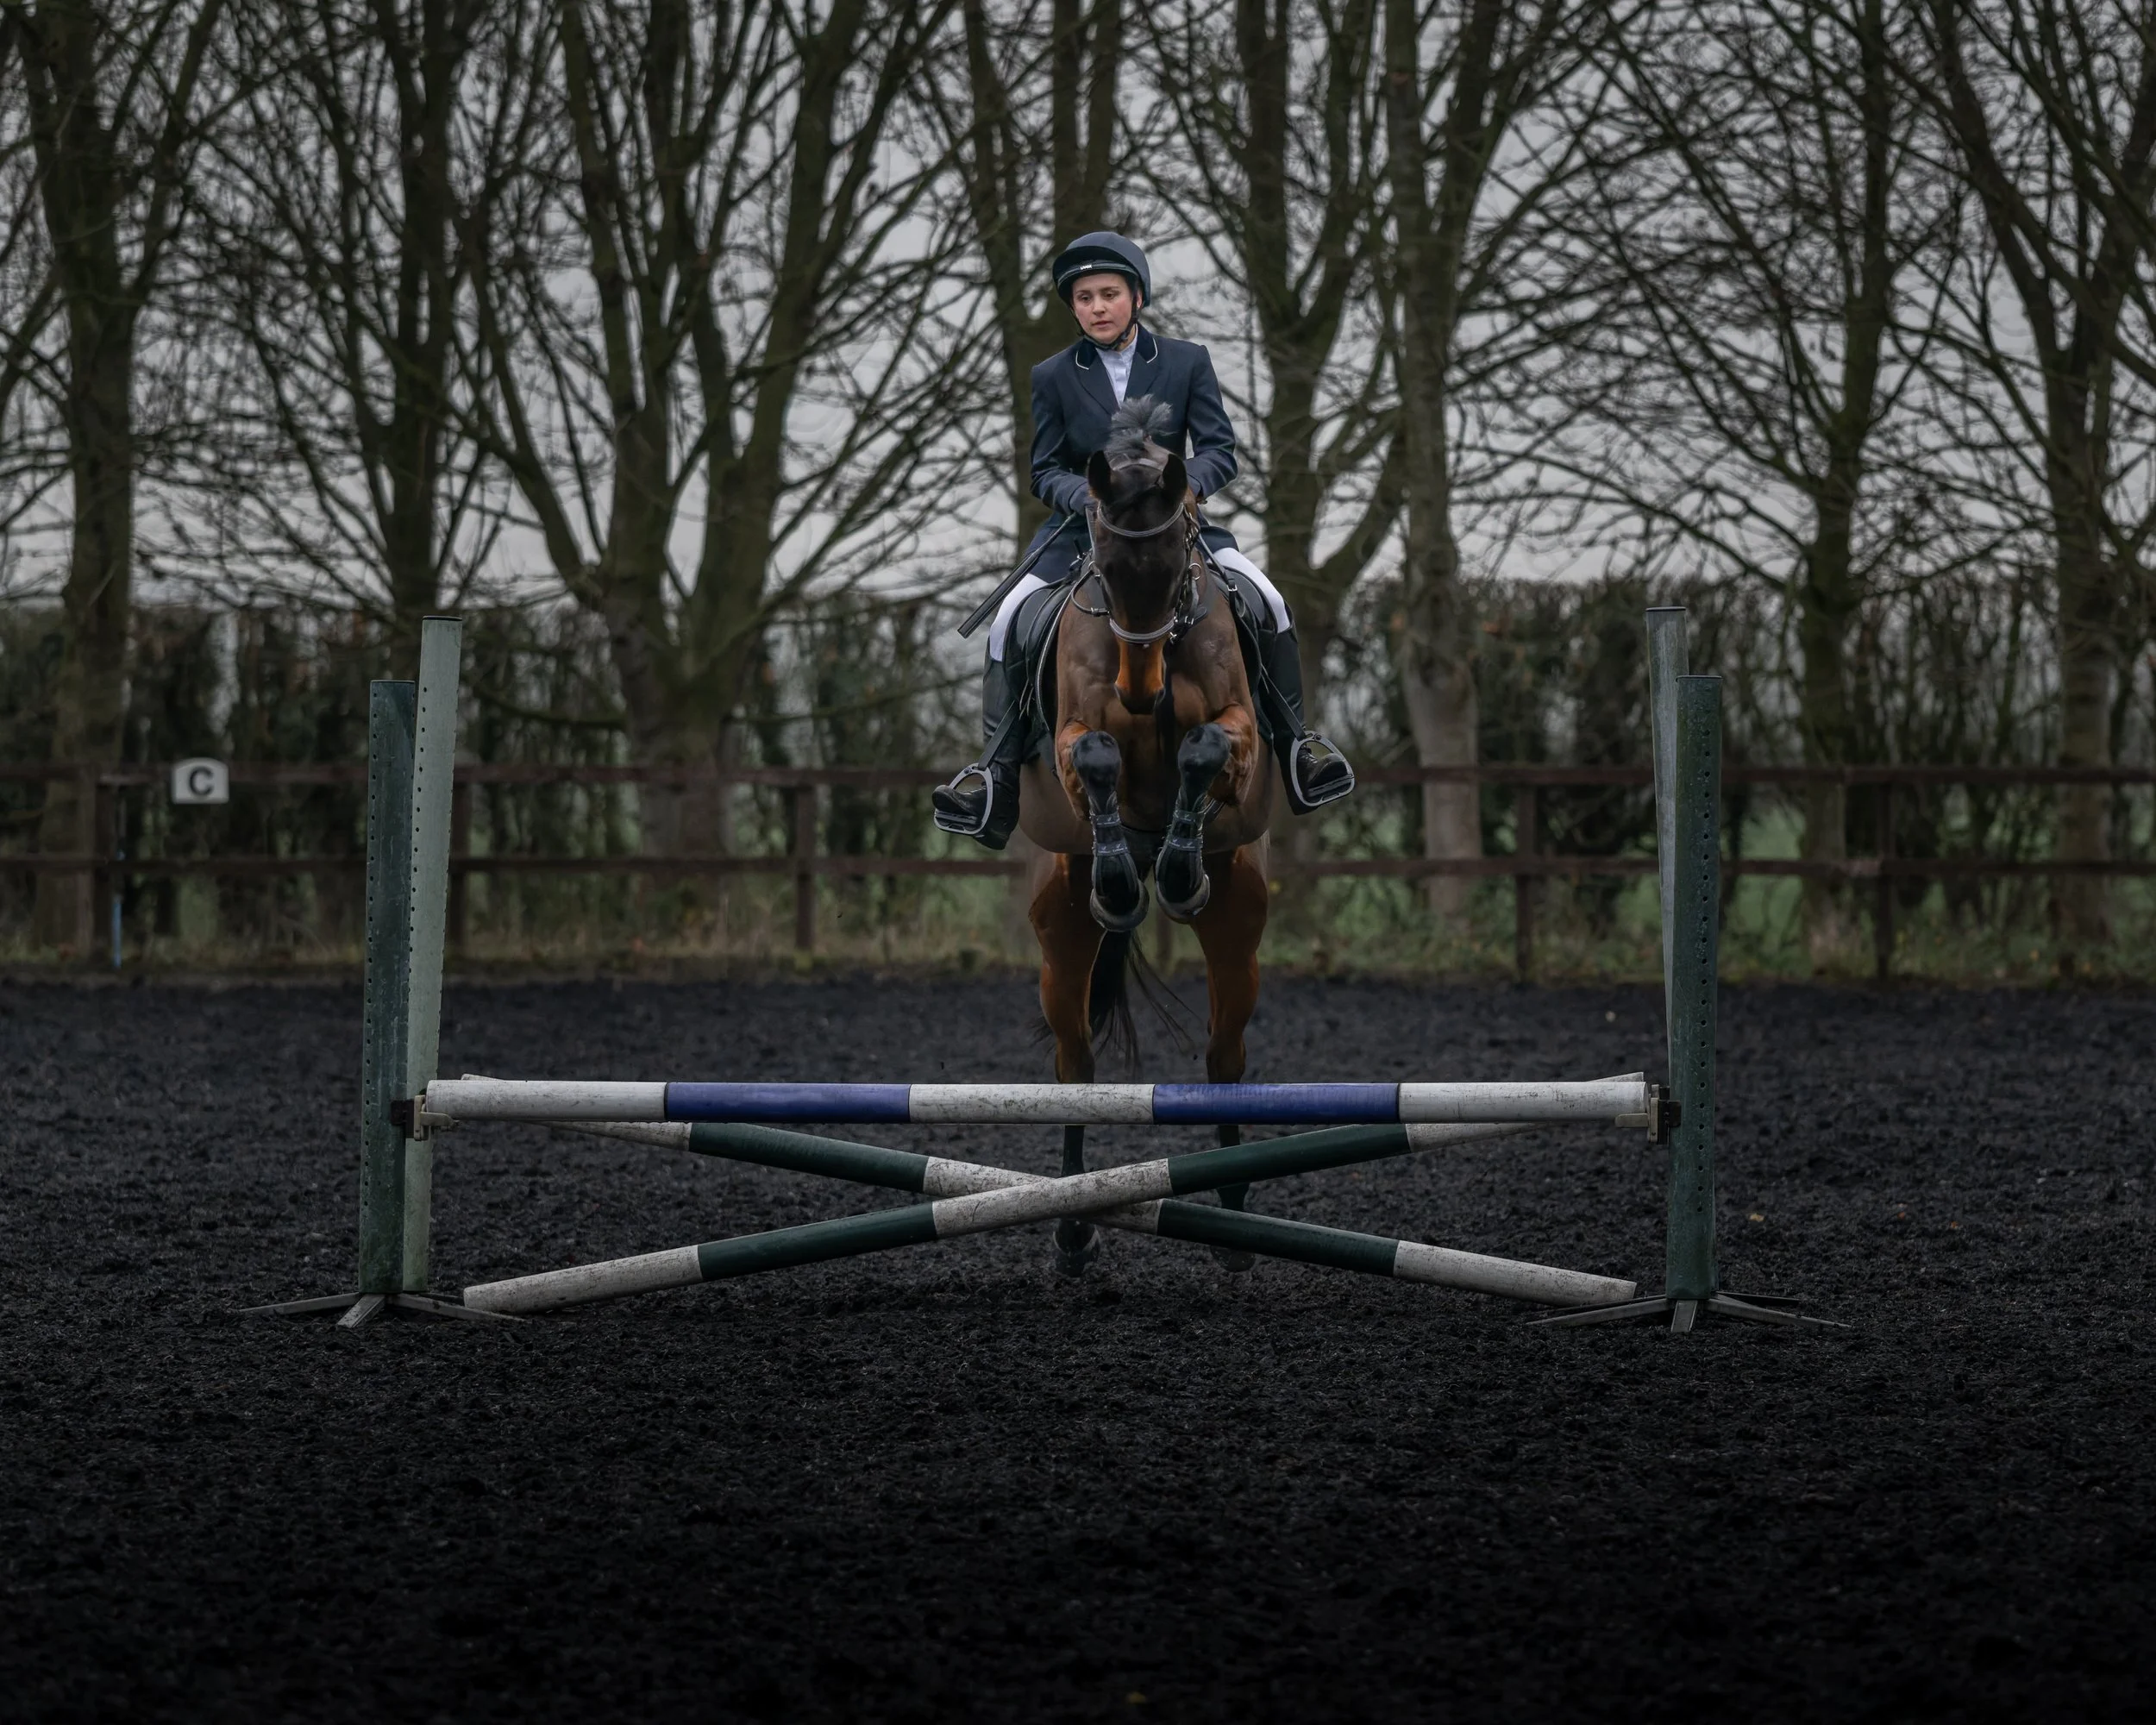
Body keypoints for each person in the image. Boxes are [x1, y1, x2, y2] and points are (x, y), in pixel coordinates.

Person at [932, 230, 1354, 849]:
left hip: (1172, 527)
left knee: (1269, 599)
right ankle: (994, 775)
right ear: (1073, 307)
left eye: (1109, 293)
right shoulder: (1053, 375)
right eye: (1084, 297)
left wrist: (1187, 490)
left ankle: (1298, 747)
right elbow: (1044, 469)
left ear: (1135, 296)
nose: (1097, 307)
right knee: (1007, 623)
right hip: (1084, 531)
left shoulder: (1186, 361)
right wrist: (1087, 498)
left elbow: (1219, 450)